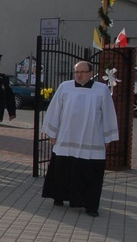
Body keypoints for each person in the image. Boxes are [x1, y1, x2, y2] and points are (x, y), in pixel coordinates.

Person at [41, 61, 118, 217]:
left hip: (91, 140)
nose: (79, 75)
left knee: (90, 174)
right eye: (77, 72)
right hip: (66, 138)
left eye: (83, 72)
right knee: (63, 170)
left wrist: (107, 137)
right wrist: (52, 133)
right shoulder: (65, 87)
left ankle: (90, 206)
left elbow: (108, 114)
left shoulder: (101, 90)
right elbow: (54, 109)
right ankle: (60, 197)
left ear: (91, 73)